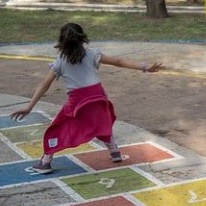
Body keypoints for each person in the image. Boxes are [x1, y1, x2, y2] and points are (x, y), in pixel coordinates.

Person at [10, 22, 165, 174]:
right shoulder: (92, 54)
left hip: (78, 99)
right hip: (97, 95)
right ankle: (115, 151)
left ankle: (46, 162)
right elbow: (119, 62)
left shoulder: (60, 62)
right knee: (100, 121)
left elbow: (44, 85)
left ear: (61, 42)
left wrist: (29, 107)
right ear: (83, 39)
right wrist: (146, 68)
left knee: (57, 128)